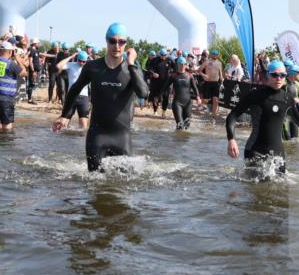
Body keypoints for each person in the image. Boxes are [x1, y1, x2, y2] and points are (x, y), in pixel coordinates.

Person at [55, 23, 149, 171]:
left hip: (122, 137)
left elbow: (143, 93)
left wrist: (131, 63)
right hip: (97, 136)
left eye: (121, 42)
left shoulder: (131, 69)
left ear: (126, 44)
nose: (117, 46)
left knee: (125, 182)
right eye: (113, 41)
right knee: (94, 181)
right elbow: (74, 90)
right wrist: (64, 115)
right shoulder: (93, 67)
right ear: (106, 41)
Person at [225, 59, 299, 178]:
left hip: (278, 154)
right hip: (255, 150)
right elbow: (232, 116)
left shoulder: (287, 98)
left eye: (282, 75)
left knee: (281, 186)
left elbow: (298, 118)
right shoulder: (255, 95)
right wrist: (231, 139)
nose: (278, 78)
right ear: (268, 75)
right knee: (255, 187)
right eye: (275, 75)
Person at [162, 56, 200, 130]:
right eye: (181, 64)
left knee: (187, 125)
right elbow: (165, 87)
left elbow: (195, 88)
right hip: (177, 103)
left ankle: (181, 137)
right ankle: (177, 136)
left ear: (186, 65)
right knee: (180, 125)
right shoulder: (173, 75)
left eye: (184, 64)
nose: (182, 66)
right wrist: (157, 96)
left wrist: (198, 97)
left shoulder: (189, 75)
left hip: (188, 103)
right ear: (178, 65)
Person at [57, 50, 91, 130]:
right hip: (71, 96)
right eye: (80, 61)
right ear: (77, 59)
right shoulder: (71, 65)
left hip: (84, 97)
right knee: (63, 125)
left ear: (86, 61)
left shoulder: (89, 67)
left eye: (84, 61)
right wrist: (70, 57)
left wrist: (90, 57)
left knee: (84, 127)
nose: (82, 63)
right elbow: (58, 66)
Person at [199, 49, 224, 118]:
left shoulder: (219, 63)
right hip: (208, 83)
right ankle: (202, 104)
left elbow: (220, 74)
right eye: (213, 54)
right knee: (206, 100)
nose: (215, 55)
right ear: (211, 54)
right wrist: (204, 75)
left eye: (216, 54)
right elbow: (199, 71)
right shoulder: (207, 62)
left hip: (216, 83)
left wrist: (222, 78)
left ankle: (213, 116)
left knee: (215, 100)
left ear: (218, 55)